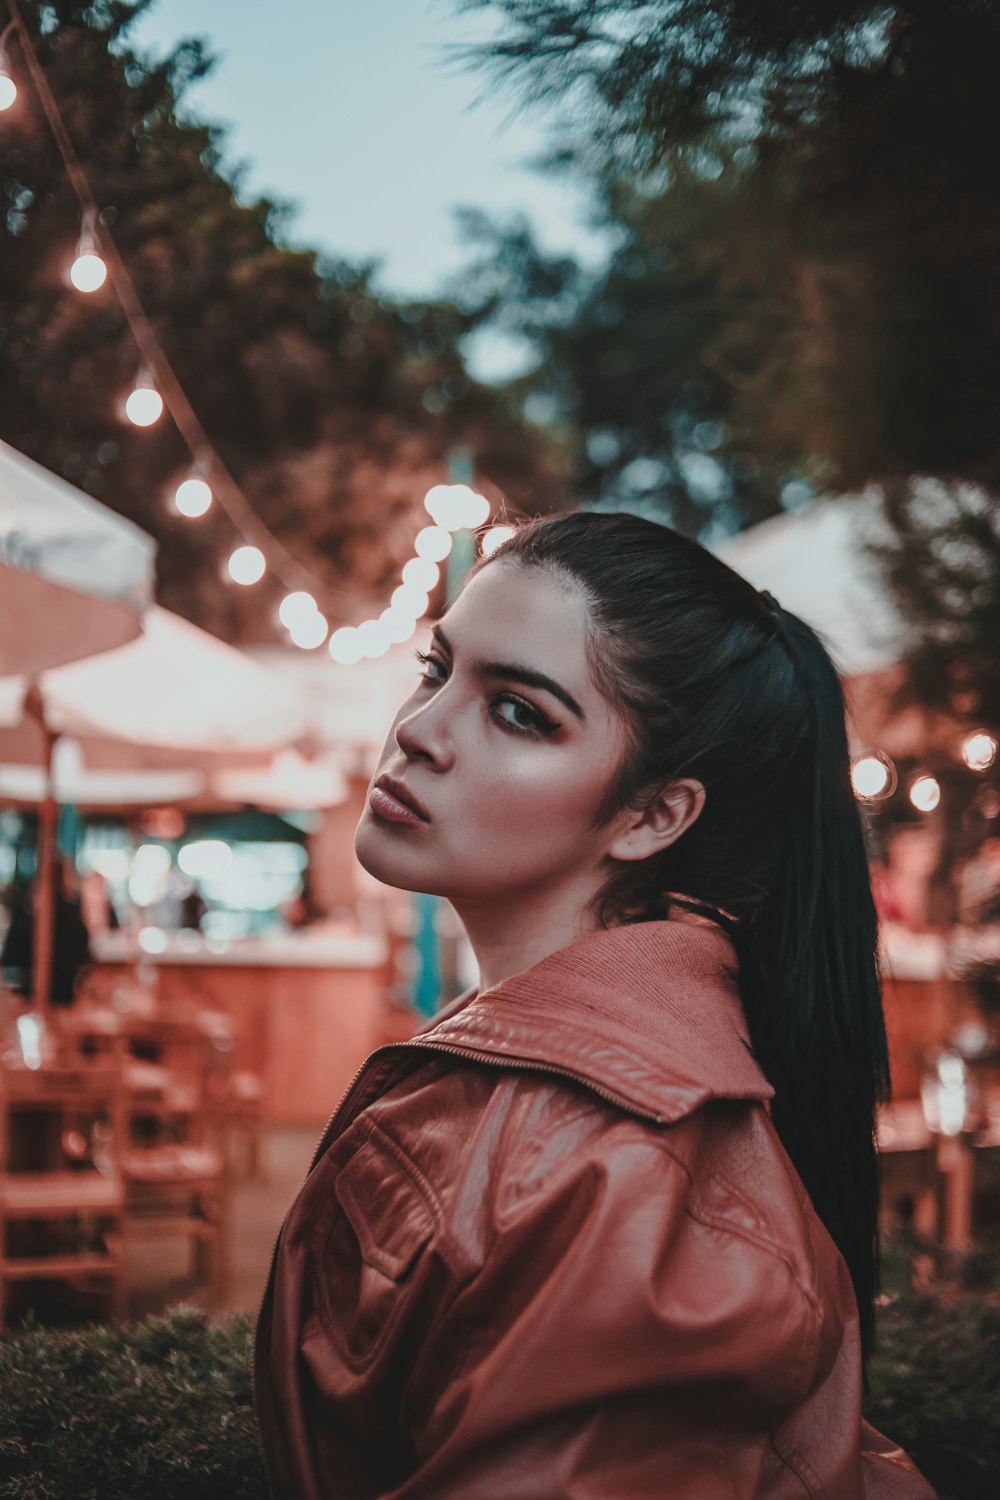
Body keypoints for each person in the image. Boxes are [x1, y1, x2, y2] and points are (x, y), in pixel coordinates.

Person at [255, 510, 937, 1498]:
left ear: (652, 814)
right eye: (436, 670)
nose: (419, 730)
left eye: (519, 713)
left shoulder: (626, 1175)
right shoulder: (557, 1085)